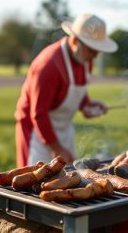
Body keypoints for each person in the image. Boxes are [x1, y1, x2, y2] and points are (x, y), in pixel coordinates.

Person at [15, 13, 118, 167]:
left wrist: (87, 106)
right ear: (76, 41)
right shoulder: (48, 65)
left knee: (67, 180)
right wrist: (57, 149)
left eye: (98, 50)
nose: (95, 56)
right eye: (92, 50)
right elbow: (39, 113)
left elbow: (77, 90)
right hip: (36, 132)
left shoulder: (85, 60)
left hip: (64, 130)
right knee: (32, 182)